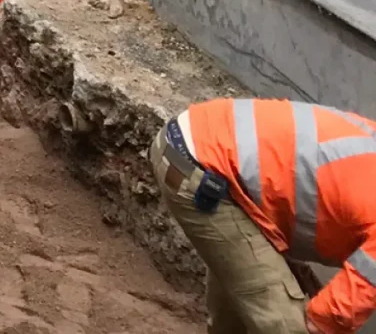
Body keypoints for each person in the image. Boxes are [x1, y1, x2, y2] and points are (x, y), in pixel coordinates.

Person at [153, 97, 376, 334]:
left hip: (204, 146)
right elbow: (322, 322)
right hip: (204, 171)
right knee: (289, 327)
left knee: (236, 314)